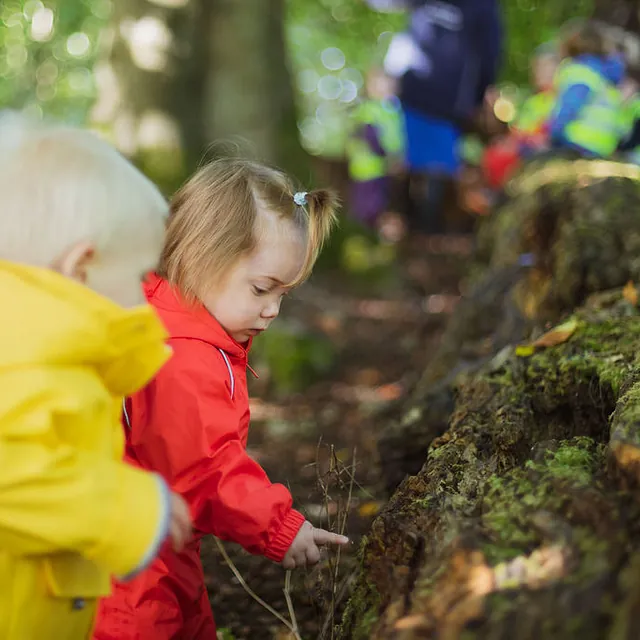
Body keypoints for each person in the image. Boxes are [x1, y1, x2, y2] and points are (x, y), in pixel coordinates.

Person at [93, 158, 349, 639]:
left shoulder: (173, 322)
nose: (271, 310)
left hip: (149, 542)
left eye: (283, 295)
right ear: (199, 255)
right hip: (126, 567)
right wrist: (277, 526)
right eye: (261, 288)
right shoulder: (181, 354)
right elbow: (203, 468)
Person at [0, 111, 192, 640]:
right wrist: (128, 511)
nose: (143, 296)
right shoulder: (24, 354)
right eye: (137, 276)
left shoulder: (44, 347)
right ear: (80, 267)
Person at [375, 0, 503, 233]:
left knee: (429, 166)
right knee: (423, 164)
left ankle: (425, 229)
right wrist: (478, 96)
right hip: (429, 97)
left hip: (436, 99)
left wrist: (478, 94)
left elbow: (489, 52)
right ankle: (416, 227)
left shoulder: (484, 6)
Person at [482, 42, 559, 192]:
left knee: (502, 159)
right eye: (537, 69)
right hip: (525, 143)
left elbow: (551, 128)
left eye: (545, 68)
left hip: (540, 146)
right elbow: (521, 127)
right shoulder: (534, 101)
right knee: (493, 153)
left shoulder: (559, 98)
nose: (539, 74)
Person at [548, 20, 628, 158]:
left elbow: (570, 106)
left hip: (576, 142)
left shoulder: (579, 71)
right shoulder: (605, 76)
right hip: (604, 146)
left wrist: (554, 133)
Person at [345, 67, 404, 232]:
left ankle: (381, 232)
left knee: (383, 202)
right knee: (369, 206)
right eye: (382, 85)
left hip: (383, 168)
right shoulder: (368, 110)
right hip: (368, 169)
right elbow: (371, 137)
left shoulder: (392, 111)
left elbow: (395, 137)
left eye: (390, 85)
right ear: (370, 88)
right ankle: (367, 232)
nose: (387, 89)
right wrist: (389, 157)